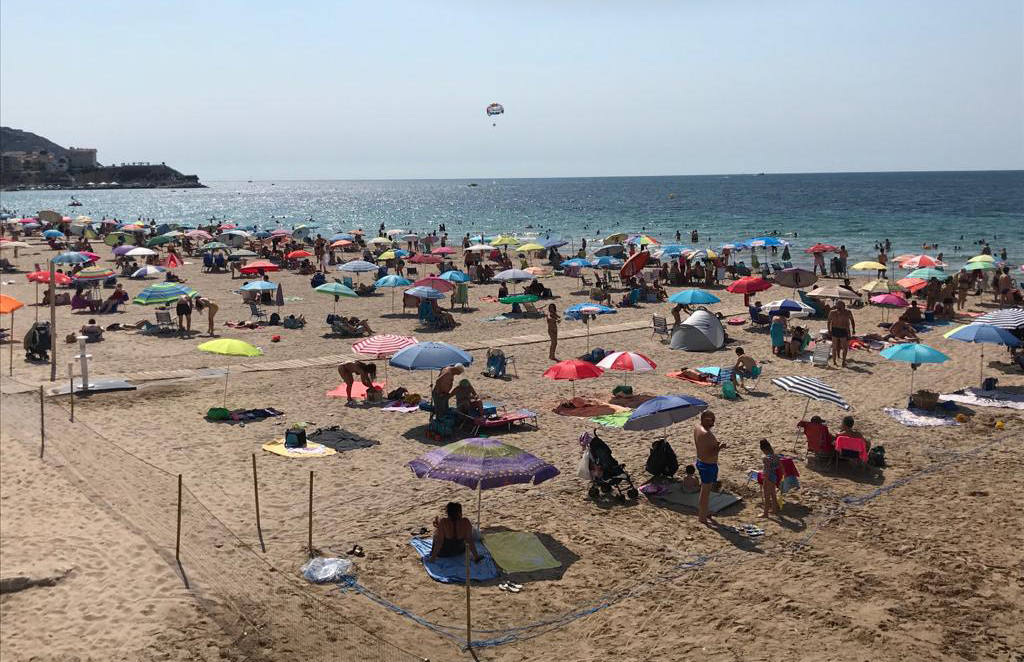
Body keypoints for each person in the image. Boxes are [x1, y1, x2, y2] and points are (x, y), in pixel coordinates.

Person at [693, 410, 725, 526]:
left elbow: (704, 447)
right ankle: (702, 517)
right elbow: (710, 453)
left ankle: (704, 511)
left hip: (702, 462)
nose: (711, 422)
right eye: (709, 420)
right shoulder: (707, 434)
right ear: (703, 419)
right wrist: (720, 447)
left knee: (706, 490)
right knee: (705, 491)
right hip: (707, 465)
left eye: (712, 419)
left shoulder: (697, 428)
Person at [827, 301, 855, 367]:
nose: (839, 308)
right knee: (835, 347)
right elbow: (828, 322)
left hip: (842, 330)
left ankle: (842, 361)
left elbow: (852, 321)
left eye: (841, 306)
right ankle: (835, 361)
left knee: (843, 347)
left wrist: (853, 329)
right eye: (838, 306)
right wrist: (829, 330)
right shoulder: (832, 312)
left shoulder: (847, 312)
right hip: (836, 330)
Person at [759, 438, 781, 518]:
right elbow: (779, 466)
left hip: (768, 477)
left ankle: (765, 513)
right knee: (773, 494)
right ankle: (775, 509)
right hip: (774, 476)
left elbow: (767, 470)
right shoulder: (775, 456)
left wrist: (766, 479)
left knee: (767, 496)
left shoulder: (766, 458)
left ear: (763, 449)